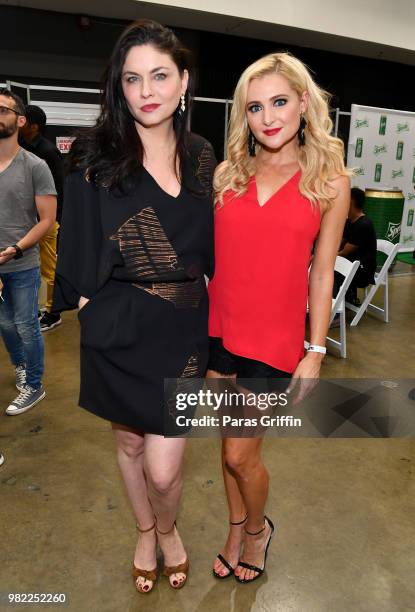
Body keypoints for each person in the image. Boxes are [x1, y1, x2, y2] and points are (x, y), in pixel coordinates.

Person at [53, 20, 215, 594]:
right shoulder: (95, 157)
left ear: (184, 81)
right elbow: (74, 246)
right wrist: (93, 305)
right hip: (120, 324)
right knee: (127, 443)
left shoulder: (202, 156)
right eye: (132, 79)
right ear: (119, 89)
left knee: (166, 466)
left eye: (160, 76)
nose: (147, 91)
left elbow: (215, 247)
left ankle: (167, 524)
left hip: (185, 329)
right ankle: (146, 531)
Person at [207, 52, 350, 583]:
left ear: (303, 104)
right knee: (225, 448)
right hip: (219, 329)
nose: (268, 117)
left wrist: (315, 352)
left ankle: (257, 530)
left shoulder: (330, 183)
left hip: (274, 340)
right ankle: (234, 526)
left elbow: (321, 274)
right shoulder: (227, 174)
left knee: (243, 455)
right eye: (255, 107)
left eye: (280, 102)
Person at [0, 88, 57, 415]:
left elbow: (47, 220)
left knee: (25, 325)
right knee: (5, 326)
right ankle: (20, 366)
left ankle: (34, 385)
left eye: (4, 110)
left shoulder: (35, 166)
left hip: (21, 264)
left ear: (20, 120)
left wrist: (15, 249)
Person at [20, 104, 64, 331]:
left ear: (34, 126)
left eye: (23, 119)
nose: (19, 122)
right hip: (28, 220)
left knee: (49, 269)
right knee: (32, 267)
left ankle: (53, 312)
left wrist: (57, 220)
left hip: (46, 220)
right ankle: (39, 308)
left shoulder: (47, 151)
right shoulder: (21, 147)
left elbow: (60, 187)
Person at [337, 186, 377, 304]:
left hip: (363, 272)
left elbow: (344, 252)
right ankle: (347, 298)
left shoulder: (363, 225)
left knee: (330, 273)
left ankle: (336, 312)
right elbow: (339, 242)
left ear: (351, 201)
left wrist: (324, 259)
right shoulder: (349, 221)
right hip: (352, 265)